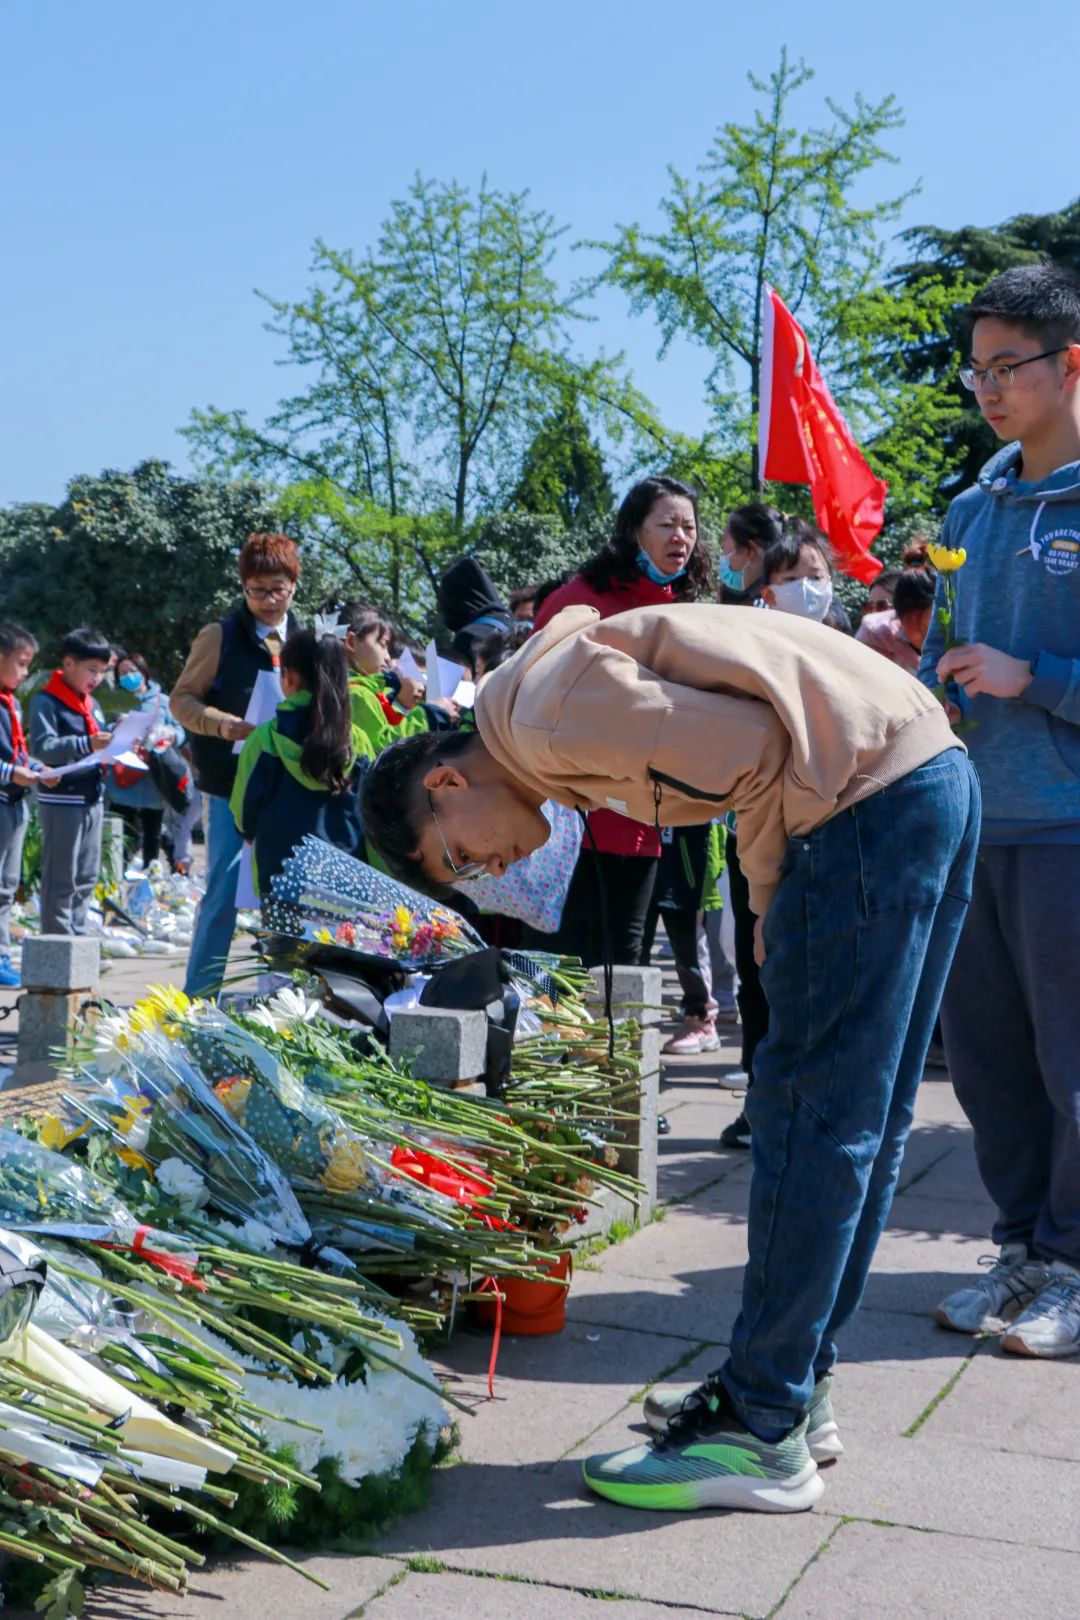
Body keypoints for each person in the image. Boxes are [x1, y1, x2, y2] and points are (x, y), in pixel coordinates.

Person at [361, 600, 977, 1512]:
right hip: (915, 776)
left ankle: (759, 1425)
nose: (493, 870)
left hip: (864, 801)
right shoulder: (542, 706)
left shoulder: (547, 720)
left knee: (811, 1118)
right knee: (865, 1117)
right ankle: (791, 1384)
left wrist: (768, 893)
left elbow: (761, 754)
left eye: (462, 857)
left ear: (447, 783)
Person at [919, 263, 1080, 1357]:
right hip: (980, 822)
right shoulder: (968, 512)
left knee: (1075, 1067)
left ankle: (1073, 1266)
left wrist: (1039, 679)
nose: (987, 388)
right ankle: (1024, 1248)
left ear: (1071, 365)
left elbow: (1029, 672)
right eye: (976, 369)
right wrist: (928, 686)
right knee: (989, 1065)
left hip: (1069, 830)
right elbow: (941, 645)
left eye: (1008, 366)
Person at [533, 476, 714, 969]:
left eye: (689, 527)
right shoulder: (581, 599)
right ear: (635, 530)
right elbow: (534, 686)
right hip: (574, 816)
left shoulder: (682, 609)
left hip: (644, 817)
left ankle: (617, 1028)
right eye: (668, 525)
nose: (681, 537)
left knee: (627, 962)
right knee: (566, 962)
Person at [171, 532, 301, 996]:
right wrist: (221, 724)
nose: (268, 600)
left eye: (277, 589)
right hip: (230, 786)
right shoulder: (220, 635)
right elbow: (182, 699)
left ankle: (281, 1002)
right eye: (256, 590)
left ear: (294, 585)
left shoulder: (307, 639)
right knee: (223, 895)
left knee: (286, 896)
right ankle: (198, 999)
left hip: (290, 789)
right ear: (243, 587)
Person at [231, 628, 366, 899]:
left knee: (286, 931)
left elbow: (243, 814)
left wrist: (248, 830)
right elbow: (370, 810)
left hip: (281, 882)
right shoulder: (357, 740)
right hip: (348, 884)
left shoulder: (263, 739)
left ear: (289, 677)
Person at [29, 628, 114, 936]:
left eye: (102, 671)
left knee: (87, 875)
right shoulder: (47, 701)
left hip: (92, 797)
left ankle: (76, 938)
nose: (97, 678)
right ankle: (57, 942)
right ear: (68, 663)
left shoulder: (92, 705)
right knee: (61, 876)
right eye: (92, 670)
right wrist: (87, 743)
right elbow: (43, 746)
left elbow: (98, 743)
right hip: (62, 798)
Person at [0, 624, 49, 986]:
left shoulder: (12, 702)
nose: (25, 672)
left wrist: (36, 767)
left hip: (15, 804)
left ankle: (1, 954)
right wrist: (11, 773)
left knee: (7, 885)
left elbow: (16, 752)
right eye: (20, 663)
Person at [107, 652, 184, 869]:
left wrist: (168, 735)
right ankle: (118, 875)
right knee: (122, 834)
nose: (128, 676)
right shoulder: (114, 702)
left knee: (153, 833)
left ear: (144, 671)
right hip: (123, 778)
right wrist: (115, 728)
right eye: (122, 673)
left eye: (132, 671)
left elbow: (180, 732)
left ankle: (151, 875)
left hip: (154, 779)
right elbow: (101, 730)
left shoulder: (163, 702)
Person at [760, 521, 853, 632]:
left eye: (816, 578)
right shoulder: (757, 637)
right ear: (768, 595)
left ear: (830, 584)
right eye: (792, 579)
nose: (805, 587)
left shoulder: (839, 640)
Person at [856, 546, 936, 675]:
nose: (875, 612)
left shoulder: (954, 634)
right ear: (899, 616)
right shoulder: (878, 634)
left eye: (882, 605)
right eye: (868, 607)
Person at [717, 502, 782, 604]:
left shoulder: (763, 607)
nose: (722, 554)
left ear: (750, 551)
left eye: (723, 545)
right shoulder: (727, 593)